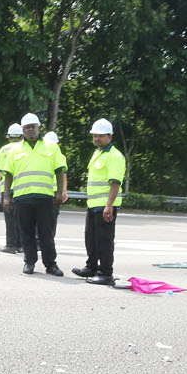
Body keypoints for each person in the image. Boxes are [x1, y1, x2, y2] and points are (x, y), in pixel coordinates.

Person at [6, 112, 66, 276]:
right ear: (23, 130)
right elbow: (8, 174)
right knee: (26, 232)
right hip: (22, 197)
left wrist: (59, 192)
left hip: (45, 197)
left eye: (33, 127)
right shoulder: (15, 149)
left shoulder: (51, 147)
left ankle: (50, 264)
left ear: (39, 128)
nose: (30, 130)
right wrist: (6, 197)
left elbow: (60, 170)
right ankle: (29, 262)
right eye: (27, 128)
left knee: (46, 233)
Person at [73, 119, 127, 286]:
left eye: (100, 136)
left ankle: (105, 273)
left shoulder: (115, 156)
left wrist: (109, 206)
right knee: (91, 238)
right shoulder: (98, 153)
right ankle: (91, 267)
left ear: (110, 136)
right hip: (93, 205)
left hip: (105, 205)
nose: (97, 138)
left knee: (104, 240)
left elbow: (115, 183)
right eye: (95, 135)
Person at [0, 122, 23, 255]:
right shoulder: (25, 148)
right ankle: (21, 245)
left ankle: (11, 245)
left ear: (9, 137)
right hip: (22, 188)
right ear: (21, 136)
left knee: (9, 218)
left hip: (7, 188)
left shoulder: (4, 150)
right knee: (22, 217)